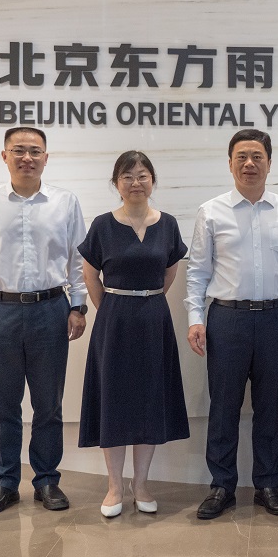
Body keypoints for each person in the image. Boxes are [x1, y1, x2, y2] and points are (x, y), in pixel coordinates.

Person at [0, 127, 87, 516]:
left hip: (51, 309)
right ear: (5, 156)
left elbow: (78, 260)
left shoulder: (65, 202)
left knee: (49, 404)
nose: (27, 157)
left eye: (34, 151)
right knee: (4, 405)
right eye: (18, 150)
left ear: (46, 157)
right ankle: (5, 482)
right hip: (0, 311)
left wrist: (79, 306)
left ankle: (46, 480)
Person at [185, 129, 278, 520]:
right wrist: (195, 318)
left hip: (275, 318)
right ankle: (222, 486)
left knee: (271, 407)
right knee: (224, 407)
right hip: (227, 319)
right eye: (241, 157)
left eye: (257, 156)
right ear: (230, 163)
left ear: (269, 163)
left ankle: (267, 484)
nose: (249, 164)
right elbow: (197, 271)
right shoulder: (211, 211)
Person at [78, 151, 189, 518]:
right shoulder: (102, 225)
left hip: (154, 319)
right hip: (114, 321)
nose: (135, 182)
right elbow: (90, 274)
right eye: (127, 176)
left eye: (142, 175)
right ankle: (114, 486)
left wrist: (148, 298)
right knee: (114, 400)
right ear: (116, 183)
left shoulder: (168, 224)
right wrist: (111, 307)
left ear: (152, 180)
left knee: (148, 399)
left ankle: (141, 484)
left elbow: (170, 271)